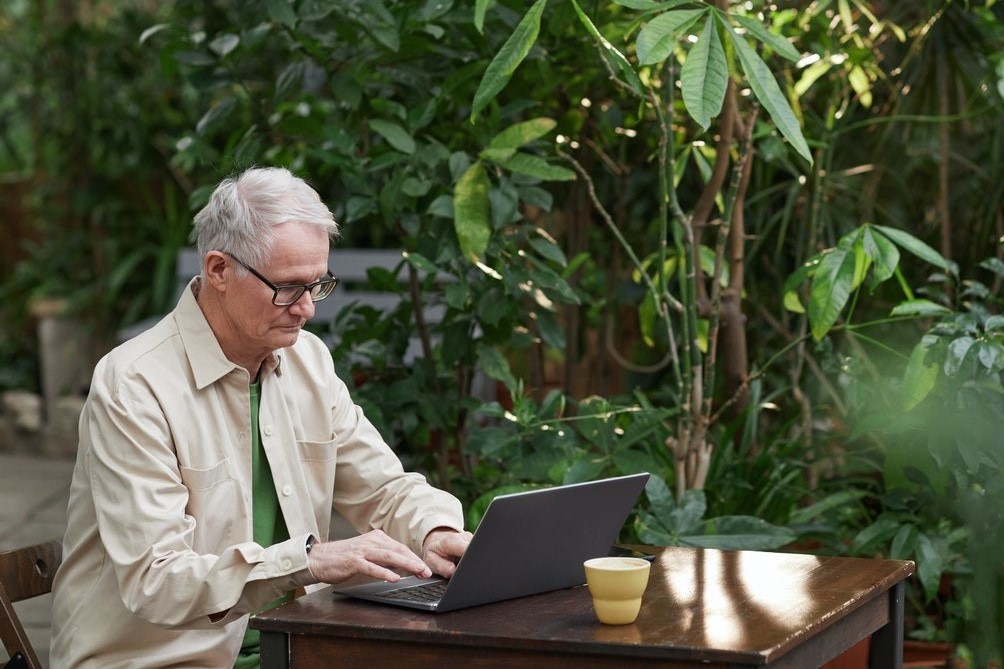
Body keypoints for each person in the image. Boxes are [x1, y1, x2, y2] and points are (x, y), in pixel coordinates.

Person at [50, 166, 472, 668]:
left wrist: (434, 533)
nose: (307, 309)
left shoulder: (307, 361)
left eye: (318, 285)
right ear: (219, 270)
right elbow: (156, 582)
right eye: (289, 287)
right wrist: (309, 561)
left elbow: (383, 488)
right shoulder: (134, 384)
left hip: (294, 649)